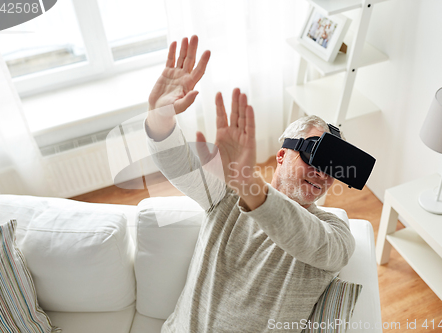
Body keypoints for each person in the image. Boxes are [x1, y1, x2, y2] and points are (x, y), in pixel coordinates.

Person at [144, 35, 355, 333]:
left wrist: (249, 184)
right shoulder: (225, 196)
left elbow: (313, 241)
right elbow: (178, 163)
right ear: (282, 155)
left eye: (332, 166)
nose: (322, 173)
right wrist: (159, 116)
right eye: (313, 155)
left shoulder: (335, 233)